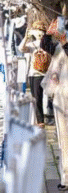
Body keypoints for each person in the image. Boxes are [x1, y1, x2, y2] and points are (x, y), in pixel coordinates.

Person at [43, 19, 68, 190]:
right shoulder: (60, 47)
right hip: (62, 96)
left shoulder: (64, 46)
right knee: (64, 140)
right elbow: (46, 46)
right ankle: (66, 178)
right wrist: (47, 33)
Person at [22, 21, 56, 127]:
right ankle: (48, 118)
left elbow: (21, 48)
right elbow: (22, 49)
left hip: (37, 74)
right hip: (45, 73)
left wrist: (26, 37)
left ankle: (41, 120)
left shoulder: (38, 44)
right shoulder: (49, 44)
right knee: (49, 96)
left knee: (38, 98)